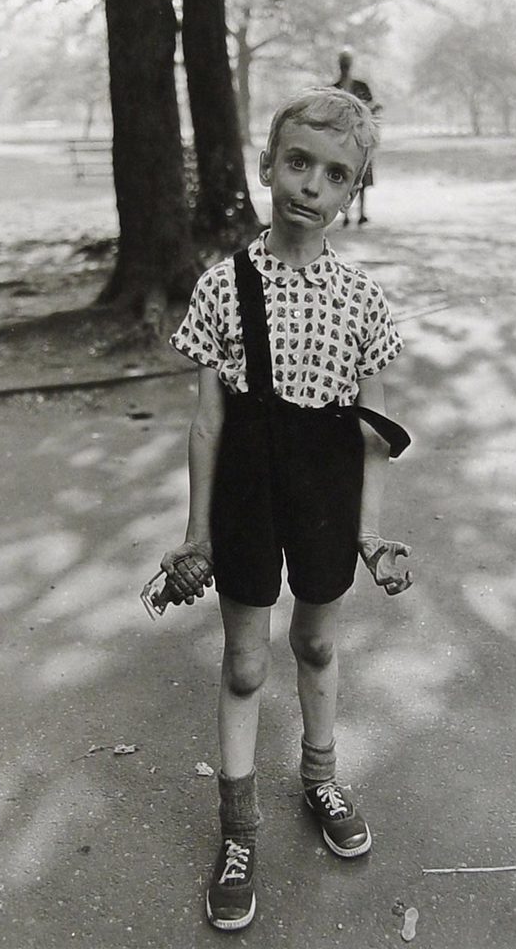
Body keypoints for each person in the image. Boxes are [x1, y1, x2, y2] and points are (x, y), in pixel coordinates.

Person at [160, 87, 413, 932]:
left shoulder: (366, 304)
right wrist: (195, 532)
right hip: (245, 490)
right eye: (297, 162)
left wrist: (371, 534)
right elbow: (206, 422)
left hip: (325, 492)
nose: (311, 184)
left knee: (314, 640)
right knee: (243, 663)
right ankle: (237, 832)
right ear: (268, 165)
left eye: (335, 174)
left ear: (354, 193)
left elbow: (375, 434)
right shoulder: (222, 288)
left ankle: (320, 775)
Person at [333, 51, 381, 225]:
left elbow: (373, 109)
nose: (344, 66)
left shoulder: (361, 86)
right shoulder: (334, 88)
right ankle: (345, 214)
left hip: (360, 138)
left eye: (346, 63)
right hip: (341, 141)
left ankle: (361, 213)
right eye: (342, 63)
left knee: (361, 175)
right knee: (344, 176)